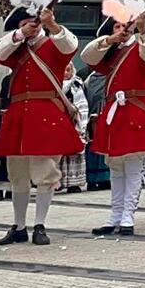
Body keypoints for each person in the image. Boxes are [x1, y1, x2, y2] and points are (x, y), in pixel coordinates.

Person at [0, 6, 84, 246]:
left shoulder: (53, 43)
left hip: (46, 112)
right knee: (17, 174)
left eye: (33, 23)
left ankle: (40, 224)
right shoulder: (16, 47)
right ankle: (19, 225)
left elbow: (70, 46)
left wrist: (51, 25)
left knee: (46, 174)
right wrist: (20, 35)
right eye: (25, 23)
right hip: (19, 114)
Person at [80, 11, 145, 236]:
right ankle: (115, 215)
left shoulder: (140, 46)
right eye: (116, 27)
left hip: (134, 110)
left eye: (123, 26)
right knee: (115, 167)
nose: (120, 30)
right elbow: (87, 56)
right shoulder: (109, 52)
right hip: (113, 112)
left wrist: (144, 30)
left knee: (134, 167)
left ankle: (128, 216)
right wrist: (110, 40)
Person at [58, 63, 89, 193]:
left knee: (74, 153)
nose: (65, 73)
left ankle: (74, 183)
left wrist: (81, 124)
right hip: (59, 123)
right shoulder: (54, 85)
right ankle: (58, 182)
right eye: (63, 70)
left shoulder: (76, 84)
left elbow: (82, 103)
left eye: (68, 70)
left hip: (73, 122)